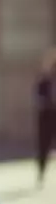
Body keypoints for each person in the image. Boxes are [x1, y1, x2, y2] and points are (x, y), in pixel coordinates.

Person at [35, 48, 56, 186]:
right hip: (46, 118)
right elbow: (37, 99)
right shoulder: (44, 82)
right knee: (44, 147)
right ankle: (41, 173)